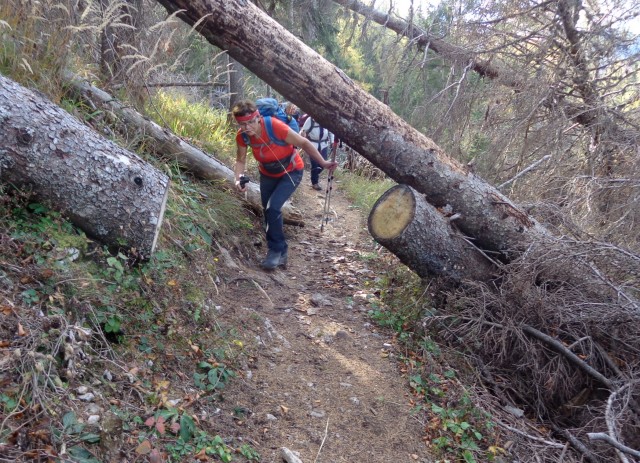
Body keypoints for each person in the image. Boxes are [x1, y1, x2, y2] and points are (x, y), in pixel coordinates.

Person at [232, 100, 338, 270]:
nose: (247, 128)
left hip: (292, 171)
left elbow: (303, 143)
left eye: (250, 122)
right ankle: (282, 252)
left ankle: (275, 251)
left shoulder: (274, 126)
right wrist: (239, 178)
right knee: (268, 212)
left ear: (258, 117)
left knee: (273, 208)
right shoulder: (242, 136)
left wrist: (323, 163)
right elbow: (240, 160)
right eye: (242, 124)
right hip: (267, 174)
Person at [301, 116, 335, 191]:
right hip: (312, 145)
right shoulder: (310, 120)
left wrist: (332, 142)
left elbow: (331, 131)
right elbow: (303, 130)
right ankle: (315, 182)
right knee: (315, 164)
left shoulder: (327, 119)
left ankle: (315, 174)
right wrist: (303, 140)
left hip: (324, 145)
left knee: (323, 163)